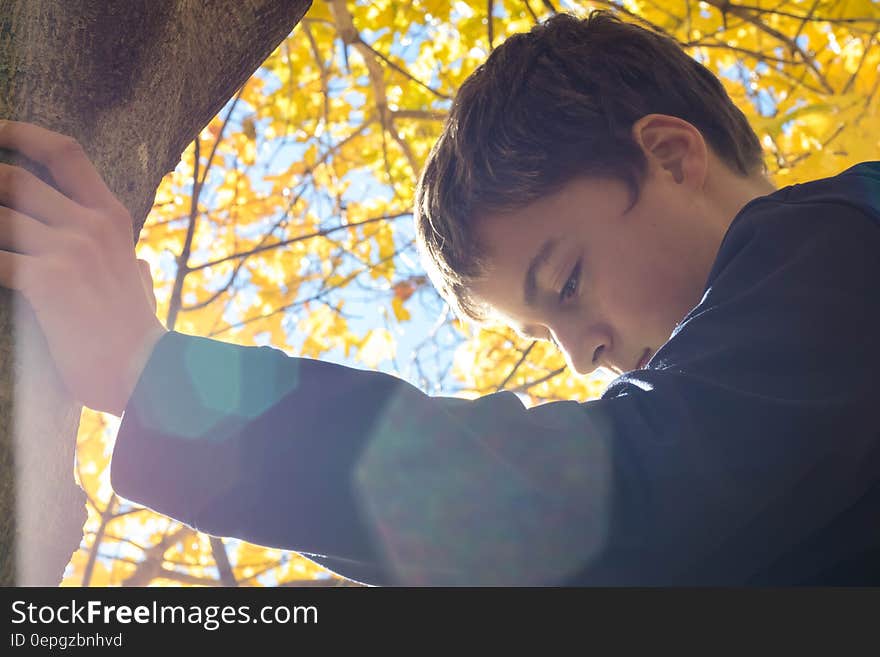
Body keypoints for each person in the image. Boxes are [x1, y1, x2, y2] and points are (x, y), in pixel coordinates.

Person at [0, 10, 877, 586]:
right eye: (548, 328)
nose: (584, 357)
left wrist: (157, 380)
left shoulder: (844, 237)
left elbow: (618, 499)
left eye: (567, 283)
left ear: (674, 155)